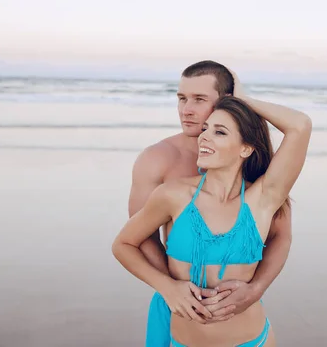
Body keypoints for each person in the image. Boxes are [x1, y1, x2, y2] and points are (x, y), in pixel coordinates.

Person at [113, 67, 312, 346]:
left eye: (199, 99)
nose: (187, 110)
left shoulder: (263, 193)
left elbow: (300, 126)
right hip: (178, 313)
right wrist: (171, 288)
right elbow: (133, 240)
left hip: (250, 335)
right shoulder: (164, 173)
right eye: (181, 98)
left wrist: (256, 289)